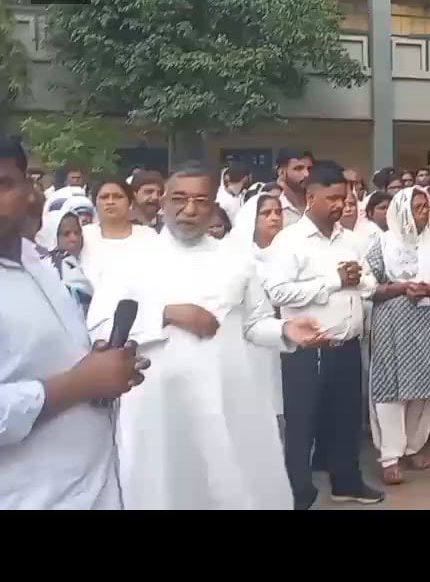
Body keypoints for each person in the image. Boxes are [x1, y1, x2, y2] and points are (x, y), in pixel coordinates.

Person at [95, 162, 327, 510]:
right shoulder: (132, 258)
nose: (189, 209)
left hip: (229, 399)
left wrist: (284, 329)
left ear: (213, 206)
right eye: (179, 199)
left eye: (200, 201)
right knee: (165, 487)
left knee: (232, 486)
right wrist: (168, 312)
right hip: (160, 404)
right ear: (163, 202)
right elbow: (99, 325)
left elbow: (255, 323)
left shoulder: (236, 260)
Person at [0, 136, 150, 510]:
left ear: (30, 191)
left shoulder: (38, 259)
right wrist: (78, 383)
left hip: (92, 487)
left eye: (2, 184)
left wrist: (100, 365)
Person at [264, 161, 384, 508]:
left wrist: (357, 280)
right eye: (332, 198)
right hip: (308, 349)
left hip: (346, 345)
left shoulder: (350, 240)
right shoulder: (290, 241)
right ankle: (297, 492)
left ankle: (346, 482)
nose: (340, 206)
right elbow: (277, 292)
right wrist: (333, 282)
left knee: (346, 421)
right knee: (303, 426)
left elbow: (369, 284)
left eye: (344, 199)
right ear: (311, 196)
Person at [366, 186, 430, 485]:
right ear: (402, 212)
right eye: (418, 207)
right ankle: (390, 456)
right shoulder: (382, 244)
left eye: (426, 206)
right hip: (391, 327)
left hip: (426, 324)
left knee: (423, 390)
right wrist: (400, 288)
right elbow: (366, 286)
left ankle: (413, 447)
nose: (425, 212)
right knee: (390, 389)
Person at [225, 193, 288, 426]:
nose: (274, 218)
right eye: (266, 213)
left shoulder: (290, 252)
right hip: (252, 346)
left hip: (291, 341)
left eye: (278, 212)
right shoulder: (239, 258)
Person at [81, 178, 159, 330]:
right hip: (88, 322)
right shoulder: (83, 236)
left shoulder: (148, 236)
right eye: (104, 197)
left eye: (117, 197)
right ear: (95, 203)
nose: (110, 202)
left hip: (139, 321)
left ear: (130, 202)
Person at [40, 204, 94, 313]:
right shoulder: (58, 263)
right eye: (66, 234)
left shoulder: (83, 258)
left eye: (77, 233)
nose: (74, 238)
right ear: (52, 234)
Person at [275, 149, 314, 227]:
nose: (307, 174)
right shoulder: (274, 210)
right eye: (298, 168)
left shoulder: (320, 206)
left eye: (310, 169)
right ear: (281, 173)